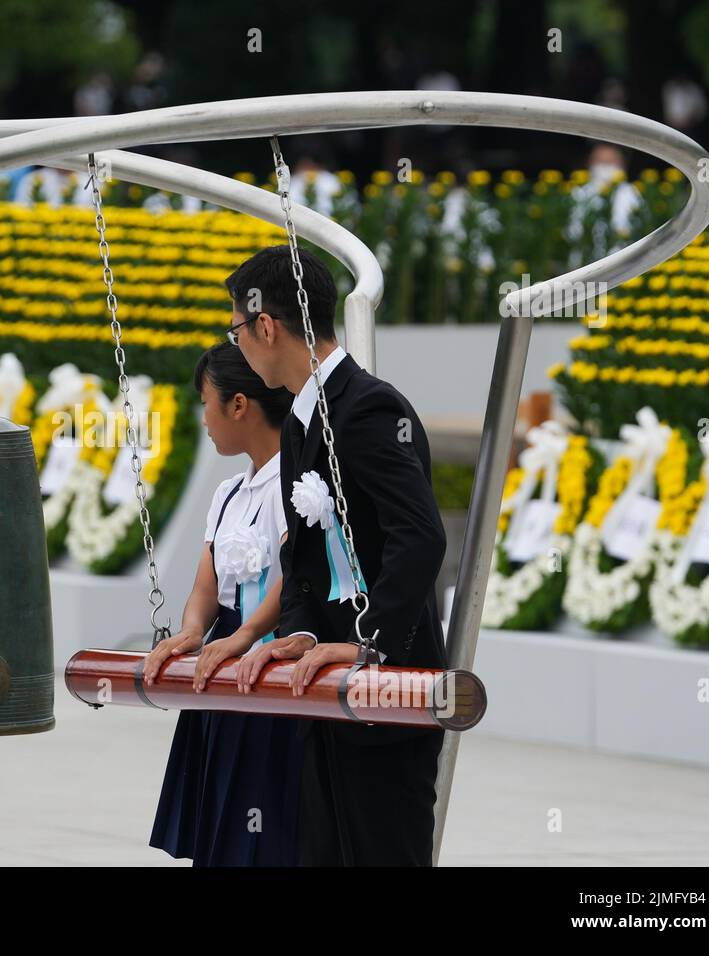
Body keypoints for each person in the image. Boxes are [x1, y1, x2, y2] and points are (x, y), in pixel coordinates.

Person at [227, 245, 448, 866]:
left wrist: (368, 643)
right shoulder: (300, 419)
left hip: (384, 686)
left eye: (237, 330)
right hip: (323, 685)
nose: (237, 344)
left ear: (265, 325)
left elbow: (421, 535)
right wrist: (296, 630)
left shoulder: (368, 406)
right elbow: (303, 550)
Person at [145, 342, 311, 866]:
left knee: (265, 826)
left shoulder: (298, 482)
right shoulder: (230, 493)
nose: (204, 417)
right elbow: (205, 586)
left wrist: (243, 638)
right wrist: (194, 632)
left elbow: (297, 576)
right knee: (220, 829)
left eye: (206, 402)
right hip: (224, 668)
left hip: (271, 664)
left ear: (239, 405)